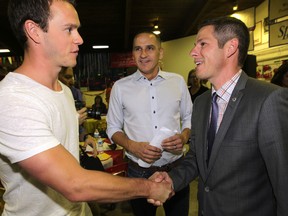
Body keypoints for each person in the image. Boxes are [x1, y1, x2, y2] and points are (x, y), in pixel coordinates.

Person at [0, 1, 173, 215]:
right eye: (69, 29)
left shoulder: (63, 90)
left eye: (77, 29)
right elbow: (75, 184)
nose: (79, 39)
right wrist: (149, 187)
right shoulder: (13, 99)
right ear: (34, 31)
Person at [150, 17, 288, 216]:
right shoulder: (201, 102)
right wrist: (172, 179)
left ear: (231, 47)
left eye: (202, 44)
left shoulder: (268, 100)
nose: (192, 53)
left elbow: (283, 183)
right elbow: (197, 158)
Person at [107, 31, 192, 216]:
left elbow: (189, 118)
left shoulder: (177, 82)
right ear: (133, 54)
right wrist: (133, 146)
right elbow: (112, 127)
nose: (143, 54)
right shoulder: (120, 87)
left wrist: (184, 137)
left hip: (176, 168)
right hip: (139, 171)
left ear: (160, 53)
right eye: (138, 49)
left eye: (149, 48)